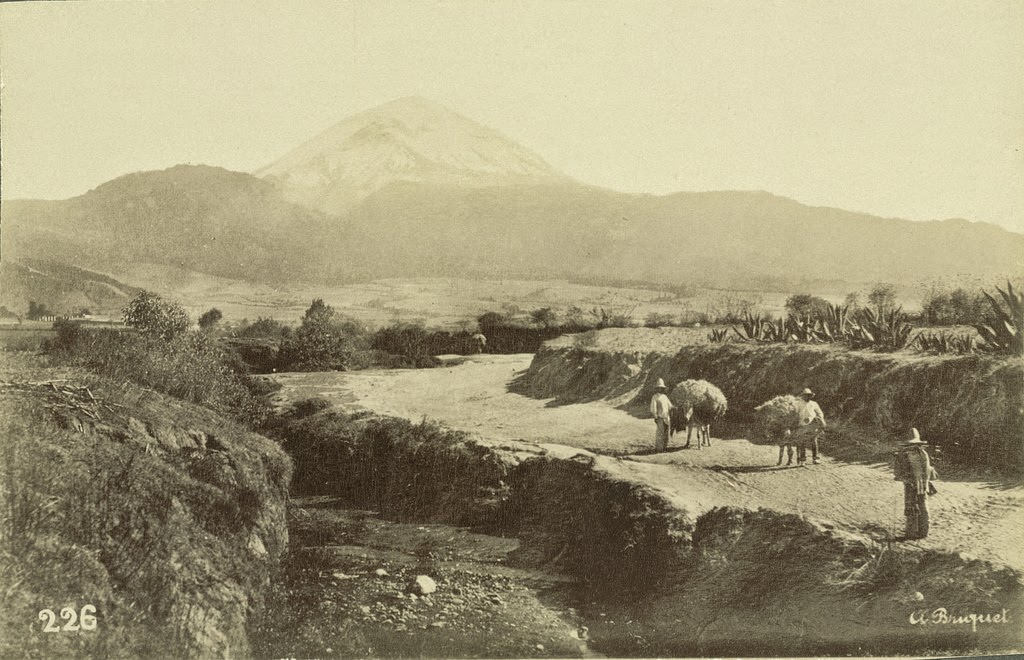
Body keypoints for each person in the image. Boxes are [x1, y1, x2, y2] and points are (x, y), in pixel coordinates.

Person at [893, 428, 938, 540]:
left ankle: (911, 532)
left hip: (910, 484)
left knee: (910, 507)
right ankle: (923, 532)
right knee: (923, 506)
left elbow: (898, 473)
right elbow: (927, 471)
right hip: (923, 484)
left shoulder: (903, 455)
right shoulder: (923, 453)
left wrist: (904, 478)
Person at [794, 387, 826, 465]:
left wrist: (819, 419)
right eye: (805, 395)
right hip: (802, 425)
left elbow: (820, 413)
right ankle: (803, 460)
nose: (807, 397)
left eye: (808, 395)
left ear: (810, 396)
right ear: (803, 396)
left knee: (814, 441)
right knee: (802, 442)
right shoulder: (798, 404)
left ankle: (815, 458)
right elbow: (795, 414)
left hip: (812, 425)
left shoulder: (814, 403)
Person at [650, 378, 673, 452]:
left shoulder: (664, 396)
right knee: (660, 433)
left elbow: (670, 406)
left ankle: (665, 447)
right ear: (657, 388)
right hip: (660, 417)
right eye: (659, 388)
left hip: (666, 417)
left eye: (661, 388)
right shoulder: (654, 397)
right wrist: (655, 416)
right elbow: (653, 408)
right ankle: (659, 449)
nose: (660, 389)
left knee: (666, 433)